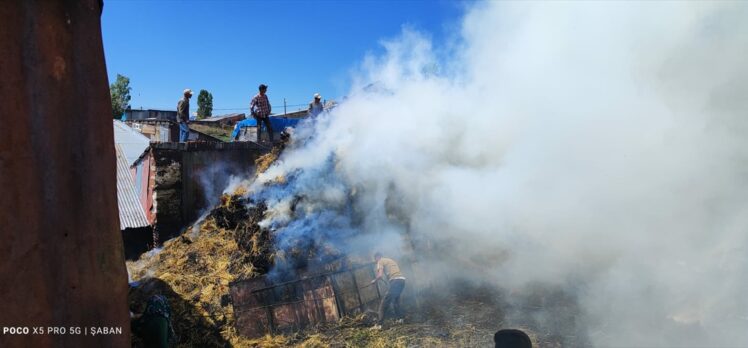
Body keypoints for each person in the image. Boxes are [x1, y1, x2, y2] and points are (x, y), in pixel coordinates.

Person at [370, 252, 406, 327]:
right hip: (401, 281)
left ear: (377, 257)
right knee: (396, 300)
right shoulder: (389, 260)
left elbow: (380, 275)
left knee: (384, 302)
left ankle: (379, 325)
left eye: (375, 259)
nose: (376, 261)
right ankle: (400, 319)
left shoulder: (380, 261)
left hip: (395, 281)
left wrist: (374, 280)